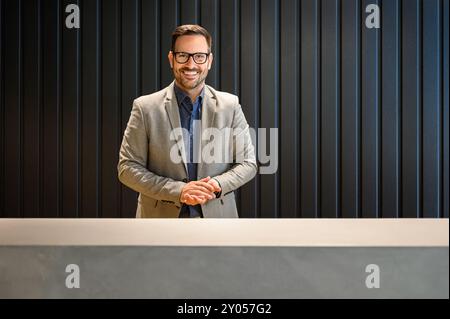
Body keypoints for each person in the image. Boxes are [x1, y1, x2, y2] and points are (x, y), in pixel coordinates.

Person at [118, 24, 257, 218]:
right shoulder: (144, 107)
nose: (191, 65)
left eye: (199, 56)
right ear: (171, 59)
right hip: (158, 225)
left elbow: (248, 163)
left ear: (209, 61)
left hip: (218, 223)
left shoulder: (230, 105)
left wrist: (216, 186)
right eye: (183, 55)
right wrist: (179, 191)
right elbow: (127, 168)